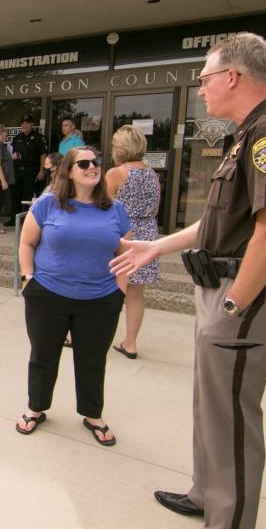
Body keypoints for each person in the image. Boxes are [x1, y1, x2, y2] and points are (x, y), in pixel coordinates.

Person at [110, 33, 266, 529]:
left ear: (233, 76)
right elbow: (218, 223)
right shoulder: (248, 134)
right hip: (226, 290)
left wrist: (233, 305)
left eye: (205, 77)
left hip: (245, 295)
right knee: (213, 406)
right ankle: (207, 494)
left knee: (231, 420)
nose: (200, 88)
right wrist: (157, 245)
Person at [15, 146, 130, 448]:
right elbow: (26, 243)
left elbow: (125, 255)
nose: (93, 167)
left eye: (96, 162)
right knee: (43, 356)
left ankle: (93, 414)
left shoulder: (115, 209)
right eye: (84, 164)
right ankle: (35, 408)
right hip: (48, 295)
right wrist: (29, 279)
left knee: (93, 359)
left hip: (101, 298)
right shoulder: (48, 205)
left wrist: (121, 291)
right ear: (68, 171)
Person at [105, 125, 161, 359]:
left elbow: (103, 207)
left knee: (108, 290)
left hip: (122, 235)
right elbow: (156, 208)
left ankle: (93, 337)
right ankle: (130, 343)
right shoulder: (152, 174)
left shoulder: (116, 173)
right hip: (147, 234)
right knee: (136, 293)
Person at [8, 115, 46, 225]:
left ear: (32, 124)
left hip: (31, 172)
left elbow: (43, 155)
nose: (25, 125)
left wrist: (41, 170)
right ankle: (13, 219)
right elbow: (11, 154)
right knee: (15, 196)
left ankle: (27, 221)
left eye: (27, 123)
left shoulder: (39, 137)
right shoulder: (17, 138)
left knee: (28, 197)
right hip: (17, 171)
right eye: (23, 123)